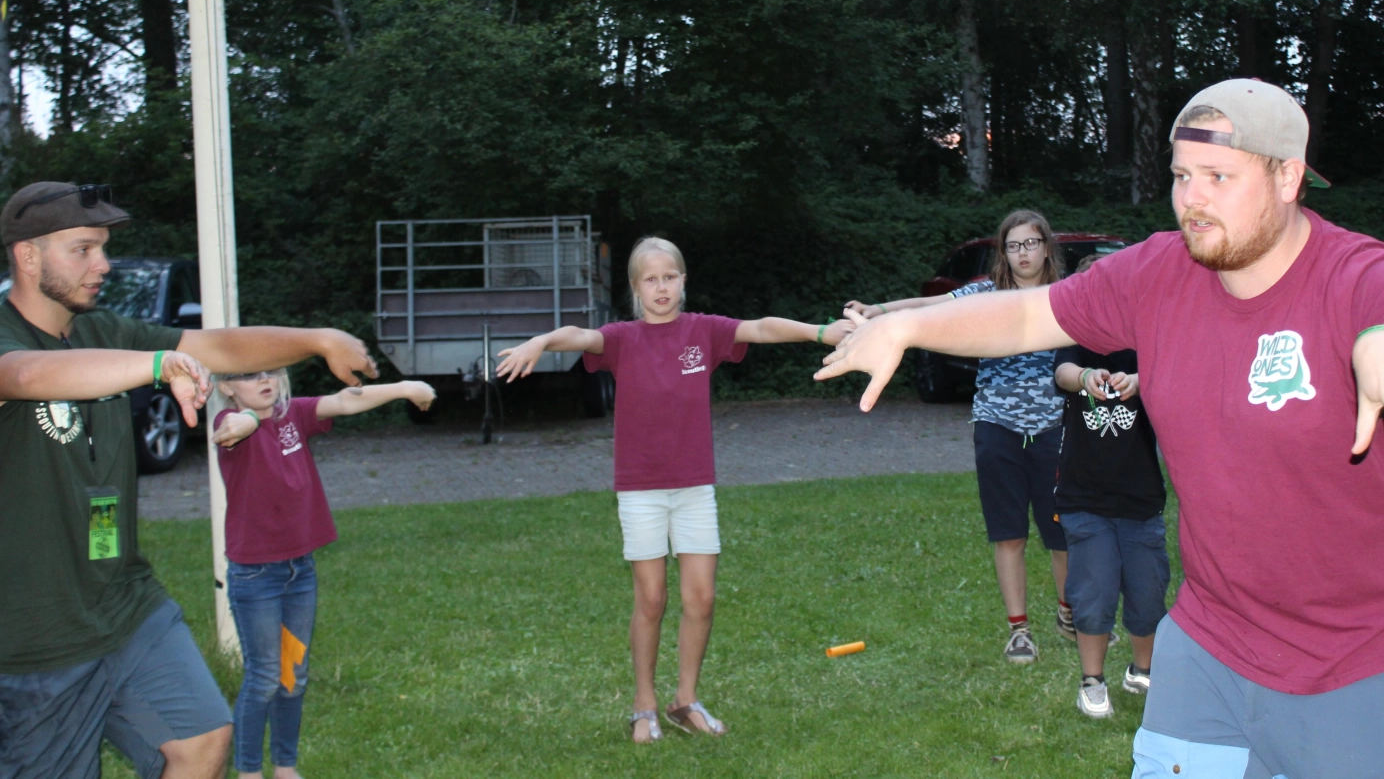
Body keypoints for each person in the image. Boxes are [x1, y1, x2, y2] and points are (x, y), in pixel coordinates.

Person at [817, 81, 1384, 779]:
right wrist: (906, 326)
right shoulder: (1157, 272)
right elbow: (1028, 316)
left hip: (1361, 652)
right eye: (1180, 175)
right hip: (1213, 636)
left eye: (1218, 177)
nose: (1191, 199)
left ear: (1288, 178)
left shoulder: (1354, 274)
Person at [0, 181, 378, 779]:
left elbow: (217, 344)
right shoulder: (8, 337)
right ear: (27, 255)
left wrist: (315, 340)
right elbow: (23, 377)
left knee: (203, 740)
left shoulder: (103, 330)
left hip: (124, 602)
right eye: (83, 249)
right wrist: (156, 365)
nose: (103, 263)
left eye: (103, 247)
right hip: (35, 636)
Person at [495, 236, 855, 744]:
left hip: (694, 488)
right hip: (640, 489)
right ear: (636, 288)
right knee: (652, 598)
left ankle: (685, 700)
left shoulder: (703, 332)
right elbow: (580, 335)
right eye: (650, 279)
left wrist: (821, 331)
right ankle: (643, 704)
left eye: (669, 277)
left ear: (683, 281)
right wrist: (540, 342)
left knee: (701, 599)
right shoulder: (623, 338)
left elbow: (762, 327)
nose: (661, 287)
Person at [846, 210, 1071, 664]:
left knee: (1062, 532)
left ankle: (1070, 612)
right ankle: (1019, 630)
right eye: (1013, 245)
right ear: (1003, 253)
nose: (1023, 253)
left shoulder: (1064, 295)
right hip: (996, 426)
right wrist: (882, 313)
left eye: (1031, 243)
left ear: (1047, 246)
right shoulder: (986, 293)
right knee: (1008, 533)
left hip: (1054, 428)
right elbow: (933, 306)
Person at [209, 369, 438, 778]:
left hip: (300, 570)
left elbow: (347, 399)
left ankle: (285, 767)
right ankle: (247, 771)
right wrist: (246, 419)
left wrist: (406, 389)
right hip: (256, 575)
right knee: (263, 677)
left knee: (293, 674)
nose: (265, 381)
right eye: (249, 376)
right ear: (226, 387)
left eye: (271, 373)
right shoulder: (230, 423)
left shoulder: (294, 414)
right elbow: (232, 427)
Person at [1052, 253, 1168, 720]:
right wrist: (1085, 378)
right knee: (1094, 590)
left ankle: (1142, 672)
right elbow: (1061, 374)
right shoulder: (1075, 340)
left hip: (1140, 499)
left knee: (1146, 592)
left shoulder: (1148, 340)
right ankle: (1092, 680)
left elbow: (1176, 378)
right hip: (1085, 498)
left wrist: (1144, 381)